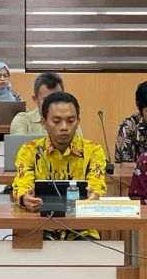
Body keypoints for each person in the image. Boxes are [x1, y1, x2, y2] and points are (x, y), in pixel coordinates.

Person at [13, 93, 106, 239]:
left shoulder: (93, 151)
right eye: (56, 121)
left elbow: (97, 183)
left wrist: (95, 196)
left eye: (70, 121)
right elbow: (22, 183)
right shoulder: (30, 150)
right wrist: (25, 198)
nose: (64, 127)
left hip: (81, 228)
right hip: (39, 225)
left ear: (78, 121)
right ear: (44, 122)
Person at [10, 71, 69, 136]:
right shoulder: (22, 120)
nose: (52, 104)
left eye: (57, 99)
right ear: (35, 99)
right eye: (46, 99)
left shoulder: (70, 121)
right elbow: (19, 142)